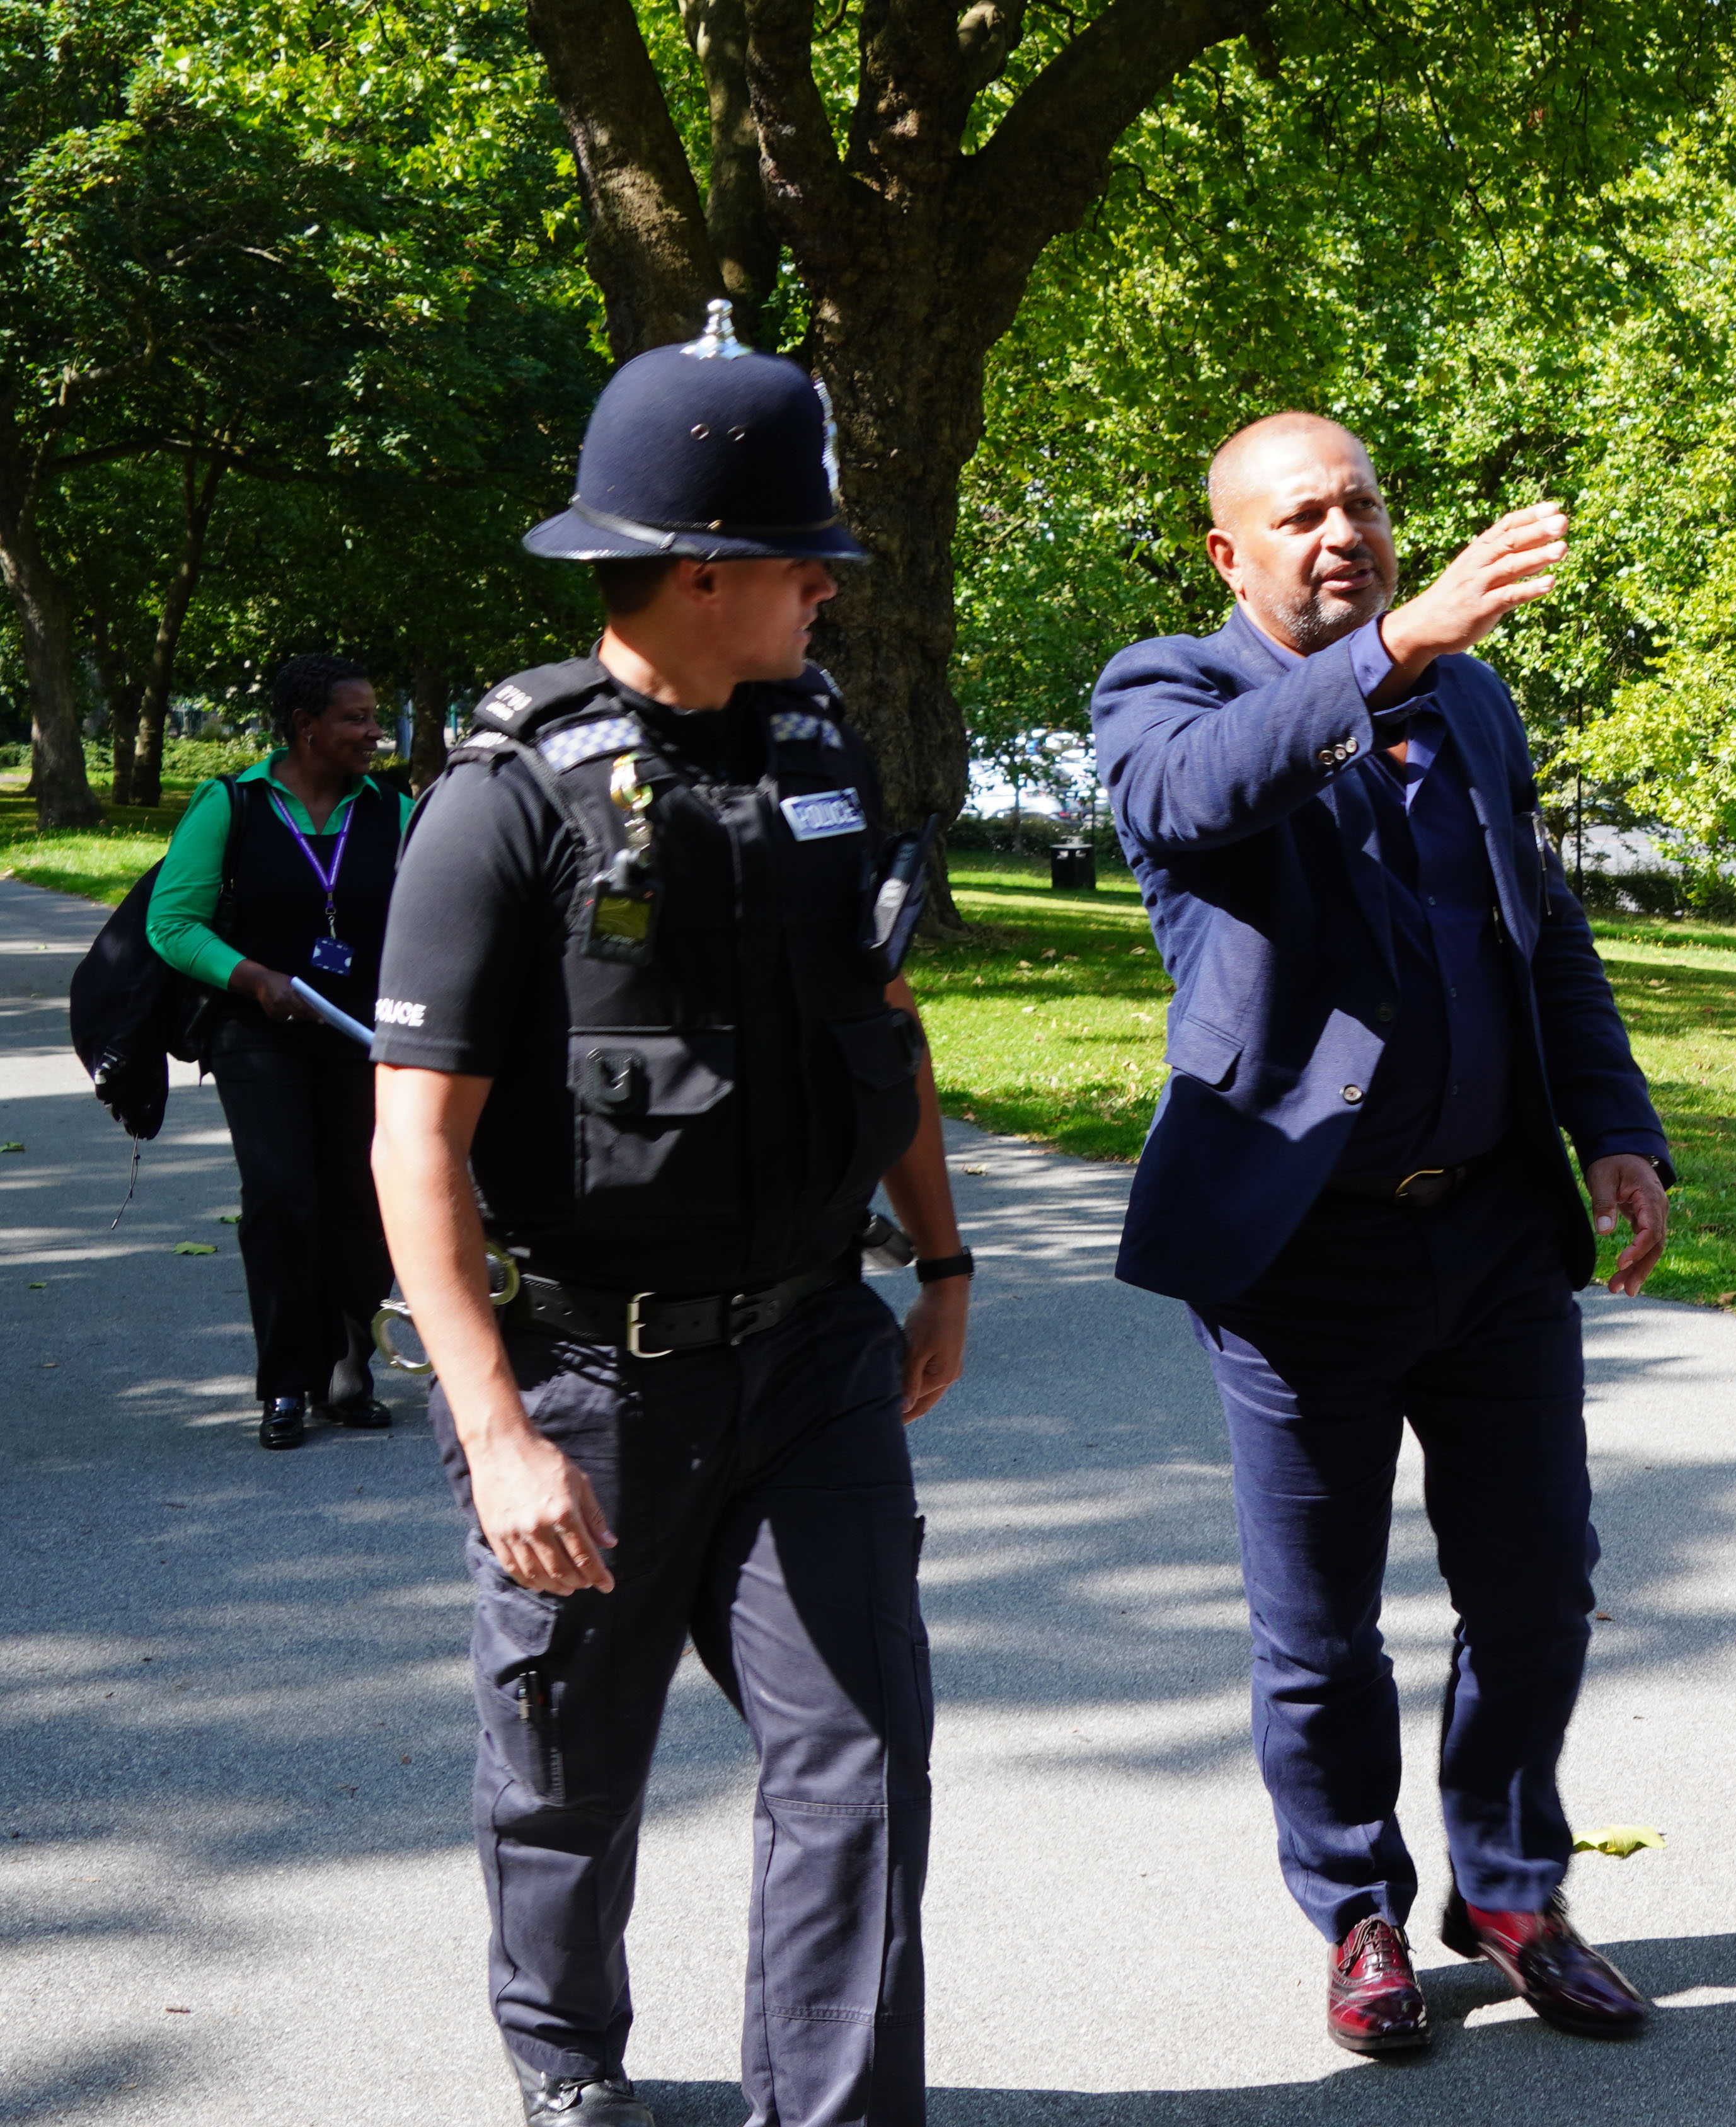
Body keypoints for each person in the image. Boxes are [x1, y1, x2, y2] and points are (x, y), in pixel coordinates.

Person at [368, 304, 970, 2127]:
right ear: (704, 569)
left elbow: (883, 1023)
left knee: (860, 1762)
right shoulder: (505, 802)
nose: (829, 589)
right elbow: (415, 1145)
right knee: (570, 1767)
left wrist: (942, 1259)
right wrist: (497, 1437)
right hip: (590, 1383)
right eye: (805, 560)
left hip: (813, 1354)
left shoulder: (819, 754)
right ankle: (569, 2068)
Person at [1087, 413, 1675, 2058]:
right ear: (1231, 554)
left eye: (1361, 503)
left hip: (1493, 1232)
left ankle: (1512, 1894)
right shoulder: (1165, 691)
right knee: (1320, 1624)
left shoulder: (1471, 702)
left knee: (1540, 1589)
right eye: (1301, 515)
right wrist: (1396, 651)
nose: (1341, 531)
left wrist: (1616, 1125)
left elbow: (1539, 929)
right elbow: (1196, 795)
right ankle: (1357, 1909)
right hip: (1300, 1254)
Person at [146, 652, 414, 1448]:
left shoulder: (395, 811)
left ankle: (349, 1367)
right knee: (281, 1195)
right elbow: (173, 923)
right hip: (255, 1032)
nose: (374, 732)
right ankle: (288, 1382)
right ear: (305, 727)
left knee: (360, 1200)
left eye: (375, 716)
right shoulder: (231, 803)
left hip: (361, 1033)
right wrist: (254, 976)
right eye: (356, 718)